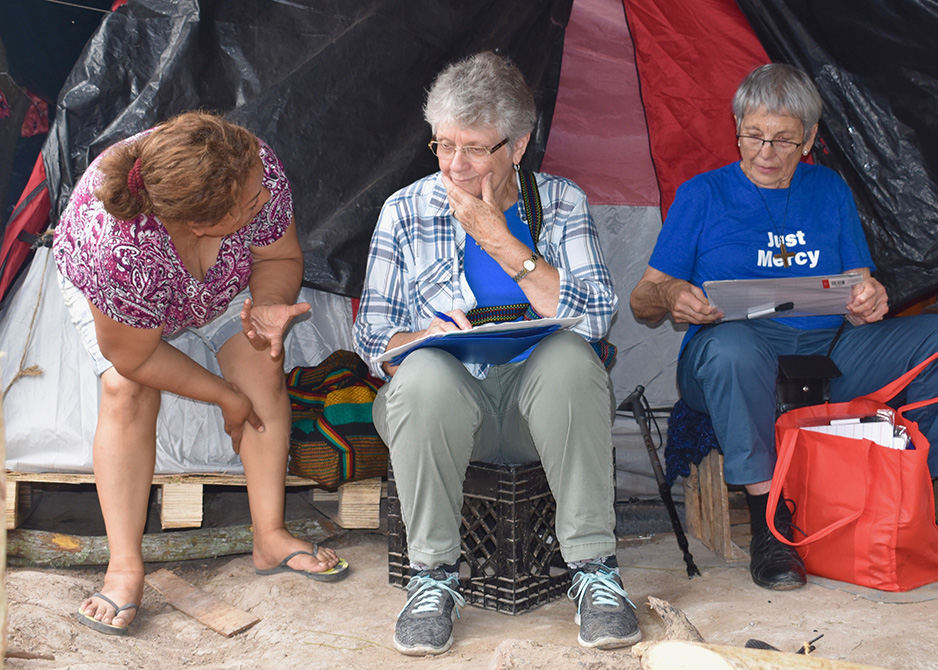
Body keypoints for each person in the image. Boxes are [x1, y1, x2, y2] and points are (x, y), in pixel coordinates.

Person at [630, 63, 938, 591]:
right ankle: (772, 525)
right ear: (737, 127)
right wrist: (675, 295)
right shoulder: (703, 195)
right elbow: (642, 301)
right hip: (730, 361)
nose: (766, 153)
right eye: (754, 136)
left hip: (829, 355)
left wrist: (870, 297)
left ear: (811, 139)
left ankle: (919, 514)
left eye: (784, 141)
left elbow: (858, 283)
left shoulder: (830, 190)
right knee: (734, 349)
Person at [354, 52, 640, 655]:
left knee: (569, 355)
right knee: (425, 371)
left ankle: (595, 572)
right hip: (446, 416)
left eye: (476, 148)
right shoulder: (407, 209)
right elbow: (372, 337)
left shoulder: (559, 203)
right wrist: (419, 339)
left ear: (518, 145)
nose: (456, 165)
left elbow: (595, 317)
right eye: (442, 145)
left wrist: (504, 244)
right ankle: (431, 577)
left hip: (544, 416)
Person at [53, 111, 348, 636]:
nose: (265, 200)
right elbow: (136, 357)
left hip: (220, 286)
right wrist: (223, 396)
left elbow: (278, 254)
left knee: (264, 368)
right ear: (201, 223)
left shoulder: (250, 166)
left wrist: (270, 304)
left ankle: (270, 536)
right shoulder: (118, 249)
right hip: (131, 306)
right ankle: (124, 566)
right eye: (251, 206)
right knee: (128, 390)